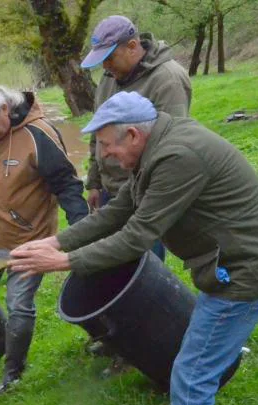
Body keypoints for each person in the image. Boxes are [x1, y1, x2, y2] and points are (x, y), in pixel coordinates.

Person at [7, 91, 258, 405]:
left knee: (192, 372)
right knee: (192, 366)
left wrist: (64, 262)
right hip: (237, 263)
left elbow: (136, 237)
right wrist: (55, 241)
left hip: (250, 270)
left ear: (132, 134)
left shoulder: (177, 157)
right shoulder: (154, 149)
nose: (106, 156)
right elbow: (116, 212)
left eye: (108, 146)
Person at [0, 85, 88, 394]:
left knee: (19, 303)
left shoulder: (39, 135)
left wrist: (82, 230)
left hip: (30, 239)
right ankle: (1, 346)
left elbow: (68, 186)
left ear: (5, 109)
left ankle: (13, 371)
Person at [81, 15, 191, 261]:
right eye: (102, 61)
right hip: (111, 191)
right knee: (109, 263)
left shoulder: (168, 79)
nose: (105, 67)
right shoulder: (109, 79)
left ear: (132, 46)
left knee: (143, 268)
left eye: (109, 58)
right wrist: (95, 182)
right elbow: (98, 134)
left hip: (143, 194)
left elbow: (172, 145)